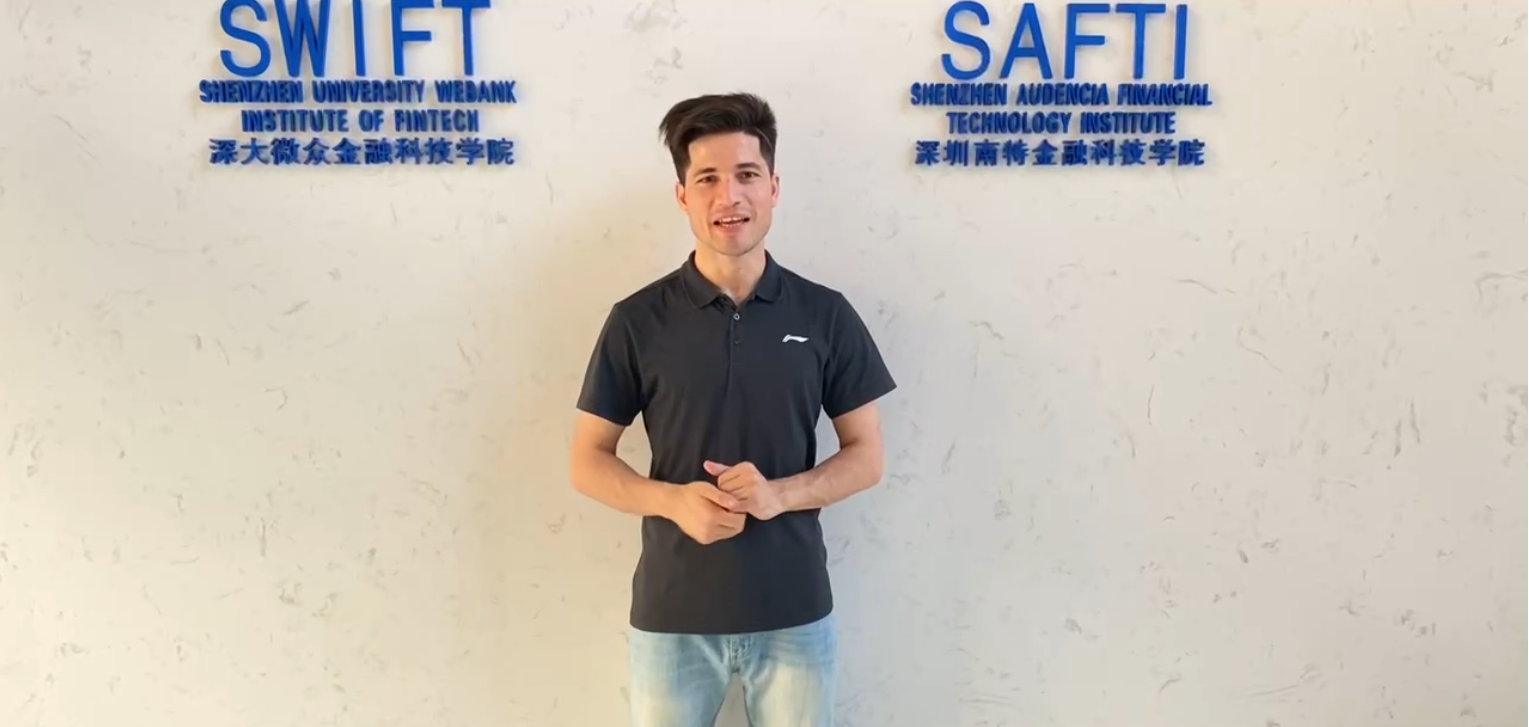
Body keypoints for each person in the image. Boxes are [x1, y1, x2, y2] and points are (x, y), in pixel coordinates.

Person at [567, 92, 897, 727]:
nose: (729, 196)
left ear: (774, 187)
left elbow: (868, 456)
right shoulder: (637, 320)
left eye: (746, 174)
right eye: (707, 179)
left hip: (795, 613)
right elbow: (587, 461)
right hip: (672, 618)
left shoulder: (825, 314)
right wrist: (673, 501)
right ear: (682, 195)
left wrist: (780, 494)